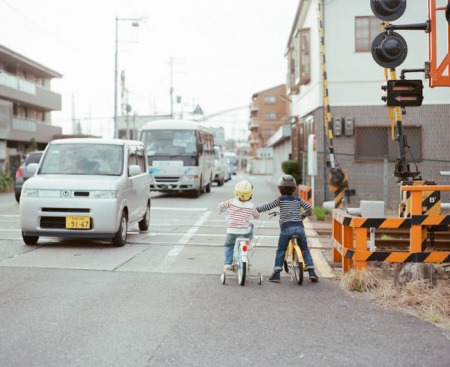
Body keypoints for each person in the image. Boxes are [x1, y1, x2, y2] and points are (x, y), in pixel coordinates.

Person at [256, 174, 318, 283]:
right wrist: (302, 215)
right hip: (299, 227)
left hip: (286, 228)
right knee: (305, 249)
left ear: (280, 189)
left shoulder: (281, 200)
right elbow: (309, 208)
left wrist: (256, 210)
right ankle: (312, 272)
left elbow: (268, 206)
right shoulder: (298, 200)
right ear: (294, 189)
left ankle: (276, 274)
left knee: (281, 250)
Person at [218, 180, 260, 272]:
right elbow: (257, 215)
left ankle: (228, 264)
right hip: (245, 232)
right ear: (250, 194)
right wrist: (255, 215)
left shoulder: (231, 202)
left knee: (228, 245)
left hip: (232, 231)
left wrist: (220, 208)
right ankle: (248, 242)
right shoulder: (251, 206)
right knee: (251, 225)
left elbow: (221, 205)